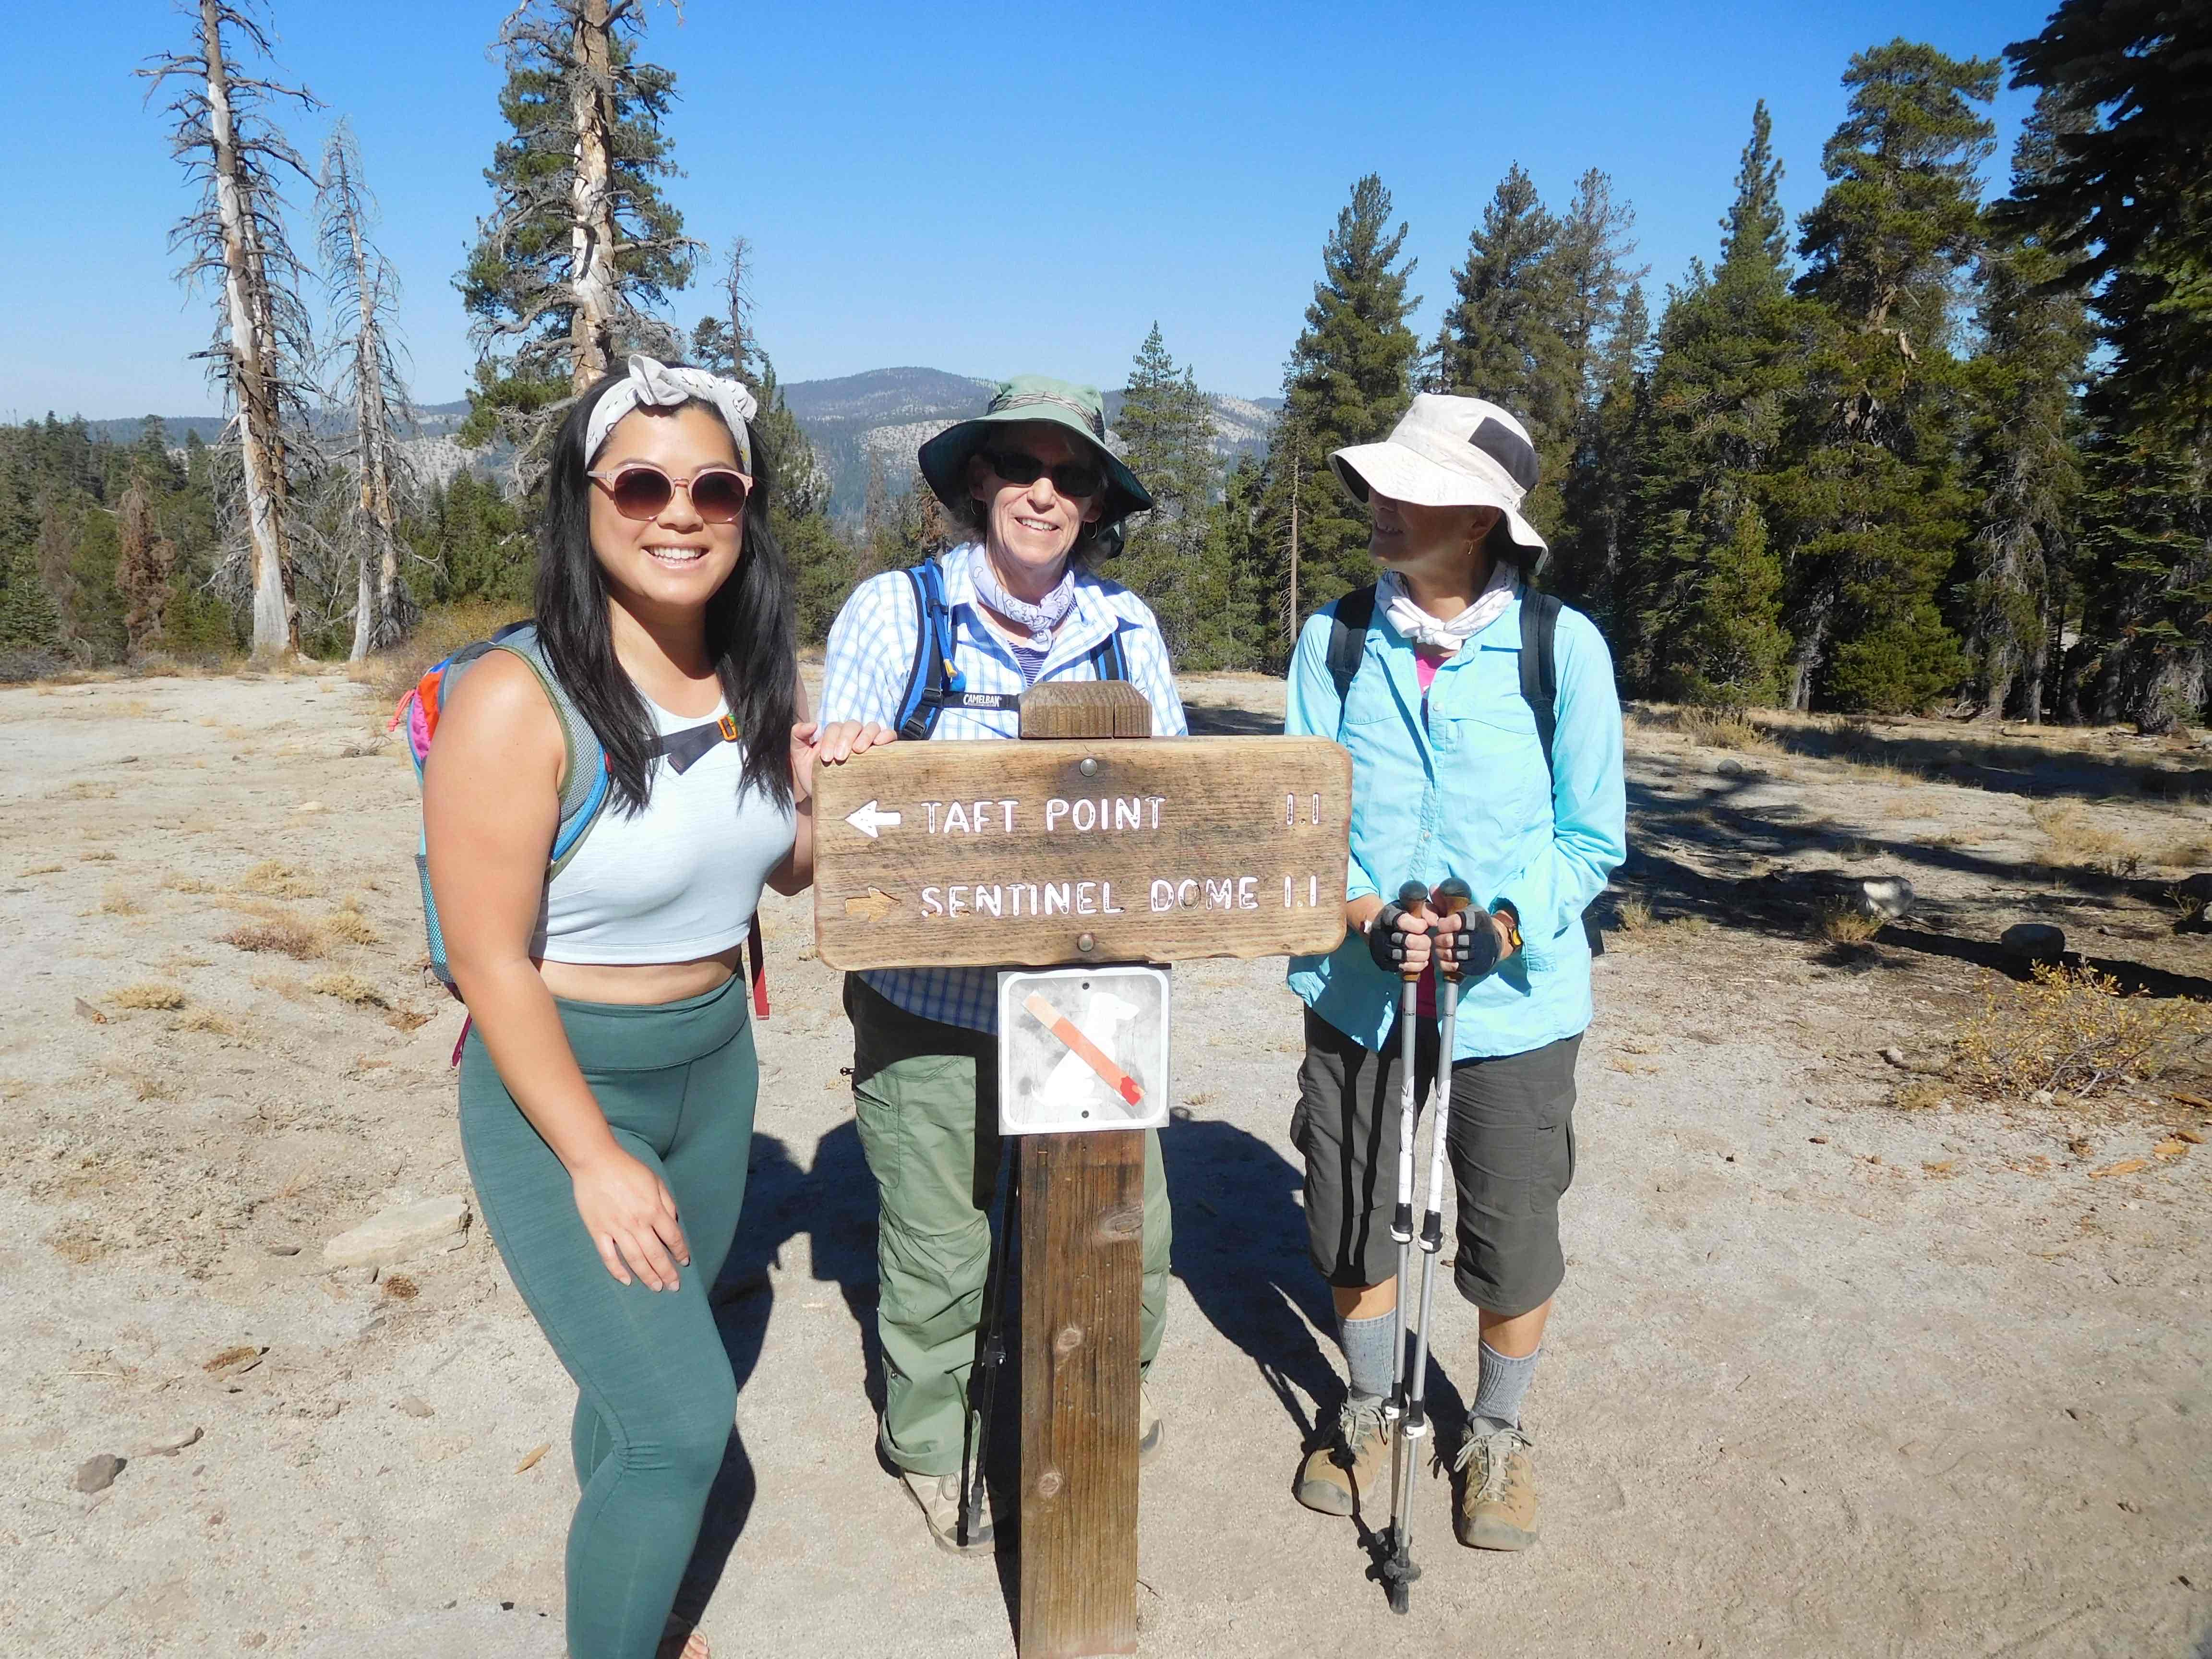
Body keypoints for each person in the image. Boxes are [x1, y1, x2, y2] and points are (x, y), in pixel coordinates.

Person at [425, 357, 811, 1659]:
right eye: (641, 481)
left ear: (747, 505)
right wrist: (591, 1160)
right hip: (563, 1087)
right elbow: (489, 962)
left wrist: (823, 785)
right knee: (681, 1426)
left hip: (715, 1068)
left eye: (714, 485)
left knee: (636, 1380)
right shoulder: (512, 701)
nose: (679, 511)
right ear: (584, 503)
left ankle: (629, 1599)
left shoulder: (761, 677)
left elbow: (787, 867)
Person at [810, 376, 1182, 1554]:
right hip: (933, 1002)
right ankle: (933, 1442)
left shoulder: (1125, 628)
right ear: (978, 482)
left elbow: (1170, 808)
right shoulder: (896, 613)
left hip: (1090, 1005)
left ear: (1093, 501)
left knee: (1128, 1231)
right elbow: (843, 813)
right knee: (939, 1243)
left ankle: (1097, 1407)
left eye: (1070, 476)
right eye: (1020, 467)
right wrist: (857, 759)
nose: (1043, 491)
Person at [1281, 394, 1625, 1553]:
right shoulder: (1335, 640)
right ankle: (1374, 1407)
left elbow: (1592, 835)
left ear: (1478, 521)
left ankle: (1498, 1433)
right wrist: (1366, 917)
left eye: (1406, 490)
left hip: (1517, 1004)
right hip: (1358, 982)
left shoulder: (1560, 647)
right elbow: (1302, 815)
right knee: (1348, 1210)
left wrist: (1507, 929)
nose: (1377, 504)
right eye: (1378, 483)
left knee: (1513, 1223)